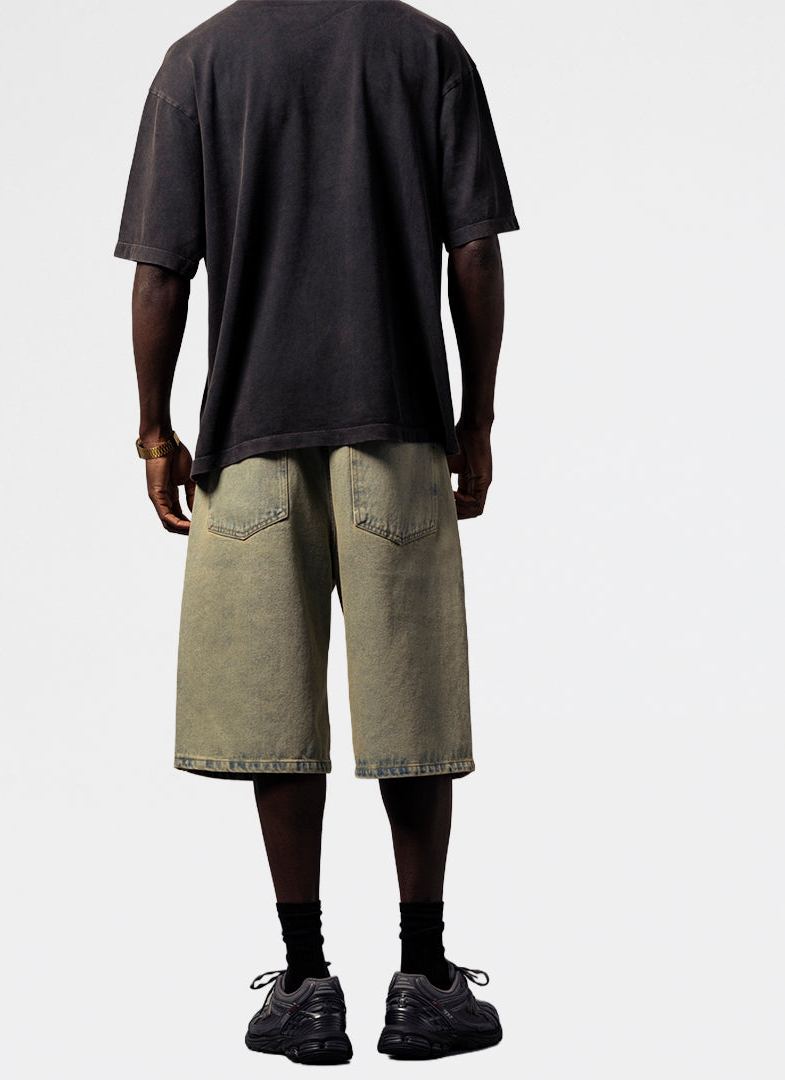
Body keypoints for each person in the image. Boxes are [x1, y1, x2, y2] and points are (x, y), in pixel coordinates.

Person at [114, 0, 518, 1063]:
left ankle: (304, 984)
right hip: (397, 424)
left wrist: (155, 431)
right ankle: (424, 979)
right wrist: (477, 420)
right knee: (411, 701)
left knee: (272, 710)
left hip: (250, 435)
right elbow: (474, 251)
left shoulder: (198, 62)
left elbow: (160, 270)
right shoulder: (425, 50)